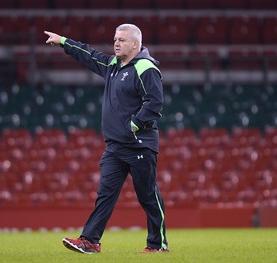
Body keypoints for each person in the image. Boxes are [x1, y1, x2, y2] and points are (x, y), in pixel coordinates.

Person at [44, 24, 168, 254]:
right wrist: (63, 41)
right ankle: (90, 240)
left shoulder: (145, 67)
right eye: (115, 39)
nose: (116, 43)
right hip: (114, 147)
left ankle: (157, 244)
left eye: (122, 40)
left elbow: (155, 102)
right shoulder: (113, 65)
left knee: (148, 195)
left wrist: (135, 123)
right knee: (105, 195)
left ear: (135, 44)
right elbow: (89, 55)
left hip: (139, 145)